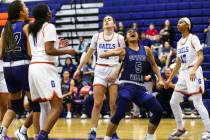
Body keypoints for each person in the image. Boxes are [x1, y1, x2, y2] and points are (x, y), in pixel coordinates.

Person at [101, 29, 164, 140]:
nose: (132, 32)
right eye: (129, 32)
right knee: (120, 111)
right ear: (126, 38)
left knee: (158, 110)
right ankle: (107, 138)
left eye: (134, 31)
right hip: (127, 86)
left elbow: (154, 65)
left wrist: (160, 79)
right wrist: (107, 53)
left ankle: (149, 137)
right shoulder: (123, 50)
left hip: (140, 87)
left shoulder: (146, 50)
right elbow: (104, 54)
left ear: (138, 36)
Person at [28, 4, 76, 139]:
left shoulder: (32, 29)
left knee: (44, 107)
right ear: (46, 14)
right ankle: (43, 136)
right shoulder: (49, 26)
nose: (51, 12)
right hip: (45, 68)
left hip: (33, 68)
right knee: (57, 107)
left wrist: (57, 44)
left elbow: (39, 48)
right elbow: (49, 50)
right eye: (49, 10)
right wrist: (68, 51)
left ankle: (39, 135)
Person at [73, 15, 125, 140]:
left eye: (109, 19)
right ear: (103, 25)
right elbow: (88, 54)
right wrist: (79, 68)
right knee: (97, 102)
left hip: (113, 71)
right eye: (105, 20)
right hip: (100, 71)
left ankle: (113, 132)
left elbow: (122, 58)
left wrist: (117, 72)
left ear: (114, 24)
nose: (107, 21)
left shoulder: (120, 38)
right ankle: (93, 131)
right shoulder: (97, 37)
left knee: (113, 104)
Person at [0, 1, 40, 139]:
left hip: (7, 68)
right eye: (25, 7)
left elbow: (0, 53)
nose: (27, 9)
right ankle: (36, 135)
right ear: (20, 12)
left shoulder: (6, 28)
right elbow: (30, 51)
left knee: (15, 105)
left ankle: (2, 132)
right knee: (36, 104)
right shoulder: (26, 26)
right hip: (23, 66)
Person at [165, 17, 210, 139]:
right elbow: (178, 63)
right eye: (178, 22)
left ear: (188, 25)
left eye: (181, 22)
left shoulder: (193, 38)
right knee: (173, 101)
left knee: (197, 103)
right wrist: (169, 79)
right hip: (183, 73)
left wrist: (194, 69)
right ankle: (181, 129)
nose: (178, 24)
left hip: (193, 71)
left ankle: (209, 131)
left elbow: (201, 56)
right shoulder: (179, 42)